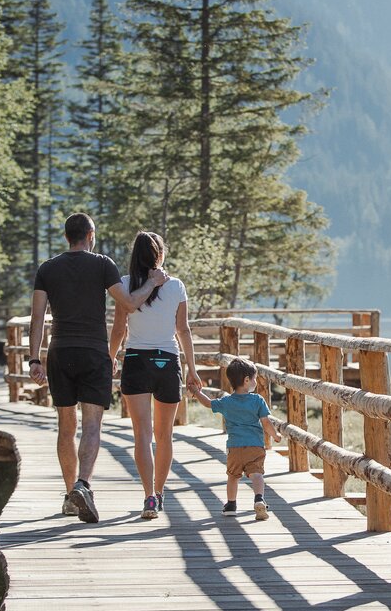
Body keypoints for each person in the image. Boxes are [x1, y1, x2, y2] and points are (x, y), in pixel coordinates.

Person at [29, 213, 169, 523]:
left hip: (59, 351)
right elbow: (130, 303)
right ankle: (83, 485)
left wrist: (34, 359)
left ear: (67, 237)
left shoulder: (47, 269)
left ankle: (70, 496)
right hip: (93, 353)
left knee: (67, 425)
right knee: (92, 425)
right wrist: (153, 282)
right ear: (90, 235)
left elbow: (37, 318)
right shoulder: (103, 264)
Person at [109, 231, 201, 520]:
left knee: (142, 435)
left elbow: (119, 327)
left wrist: (110, 357)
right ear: (160, 255)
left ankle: (148, 495)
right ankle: (159, 494)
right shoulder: (176, 287)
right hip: (167, 362)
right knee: (164, 436)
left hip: (136, 361)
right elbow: (183, 330)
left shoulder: (125, 286)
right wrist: (192, 370)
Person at [190, 356, 280, 519]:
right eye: (254, 378)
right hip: (255, 447)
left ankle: (231, 504)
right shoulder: (257, 400)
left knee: (233, 476)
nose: (255, 382)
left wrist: (197, 392)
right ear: (247, 380)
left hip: (235, 447)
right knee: (257, 474)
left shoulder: (227, 402)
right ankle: (259, 499)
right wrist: (276, 435)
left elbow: (209, 403)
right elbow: (266, 422)